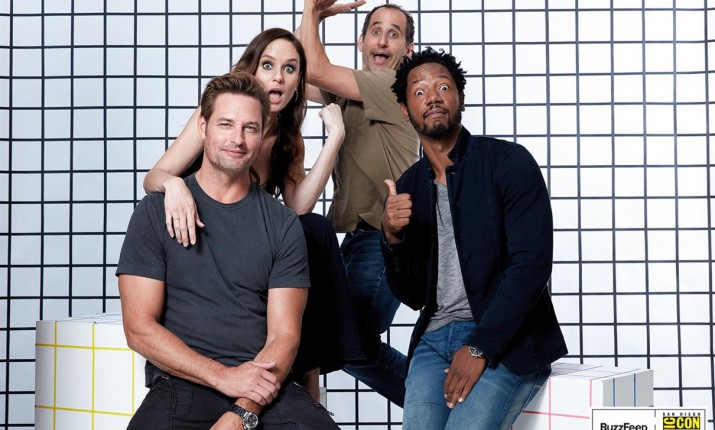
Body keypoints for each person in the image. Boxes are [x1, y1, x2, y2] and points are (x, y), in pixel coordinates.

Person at [142, 28, 363, 401]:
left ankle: (308, 375)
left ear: (299, 84)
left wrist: (335, 140)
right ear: (252, 70)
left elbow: (298, 207)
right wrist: (175, 186)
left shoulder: (288, 137)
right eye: (268, 65)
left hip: (248, 236)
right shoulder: (219, 114)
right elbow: (154, 177)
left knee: (315, 230)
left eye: (290, 69)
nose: (278, 77)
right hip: (197, 226)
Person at [118, 71, 340, 429]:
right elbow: (139, 328)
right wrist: (223, 377)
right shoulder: (154, 213)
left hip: (262, 384)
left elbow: (284, 336)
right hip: (182, 382)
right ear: (203, 126)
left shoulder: (283, 224)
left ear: (261, 135)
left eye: (250, 128)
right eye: (226, 124)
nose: (237, 139)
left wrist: (242, 411)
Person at [381, 47, 568, 429]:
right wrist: (392, 237)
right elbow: (412, 294)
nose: (433, 97)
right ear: (405, 111)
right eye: (419, 91)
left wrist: (481, 345)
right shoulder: (408, 186)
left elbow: (532, 265)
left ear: (461, 98)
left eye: (443, 87)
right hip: (433, 340)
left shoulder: (507, 162)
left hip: (508, 337)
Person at [297, 0, 419, 406]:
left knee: (351, 344)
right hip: (357, 235)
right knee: (342, 341)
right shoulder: (351, 91)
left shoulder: (396, 86)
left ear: (408, 50)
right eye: (375, 31)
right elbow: (295, 70)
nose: (382, 40)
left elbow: (314, 69)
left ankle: (438, 409)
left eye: (394, 34)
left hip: (389, 235)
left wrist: (311, 9)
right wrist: (314, 16)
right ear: (361, 41)